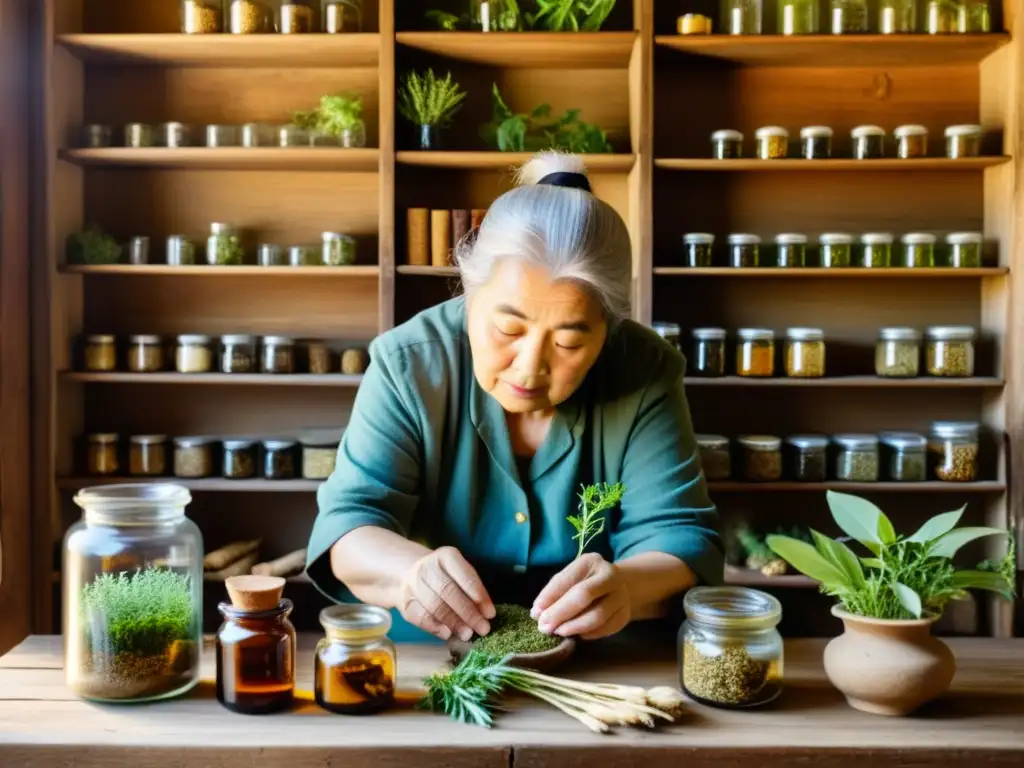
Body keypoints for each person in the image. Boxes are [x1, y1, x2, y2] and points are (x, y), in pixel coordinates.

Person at [305, 151, 723, 644]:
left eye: (568, 342)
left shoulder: (644, 368)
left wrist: (627, 587)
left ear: (609, 329)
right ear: (468, 292)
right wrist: (411, 573)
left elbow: (679, 534)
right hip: (434, 649)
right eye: (507, 328)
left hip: (597, 650)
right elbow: (348, 528)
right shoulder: (409, 363)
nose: (528, 367)